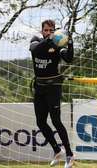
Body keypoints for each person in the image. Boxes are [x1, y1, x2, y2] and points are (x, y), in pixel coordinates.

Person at [29, 20, 74, 168]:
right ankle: (57, 150)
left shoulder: (57, 44)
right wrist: (48, 40)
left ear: (54, 31)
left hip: (53, 87)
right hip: (39, 87)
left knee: (56, 121)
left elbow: (68, 58)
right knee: (40, 122)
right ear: (42, 31)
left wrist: (70, 43)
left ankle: (69, 155)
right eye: (46, 30)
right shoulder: (36, 40)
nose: (48, 32)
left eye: (51, 30)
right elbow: (35, 51)